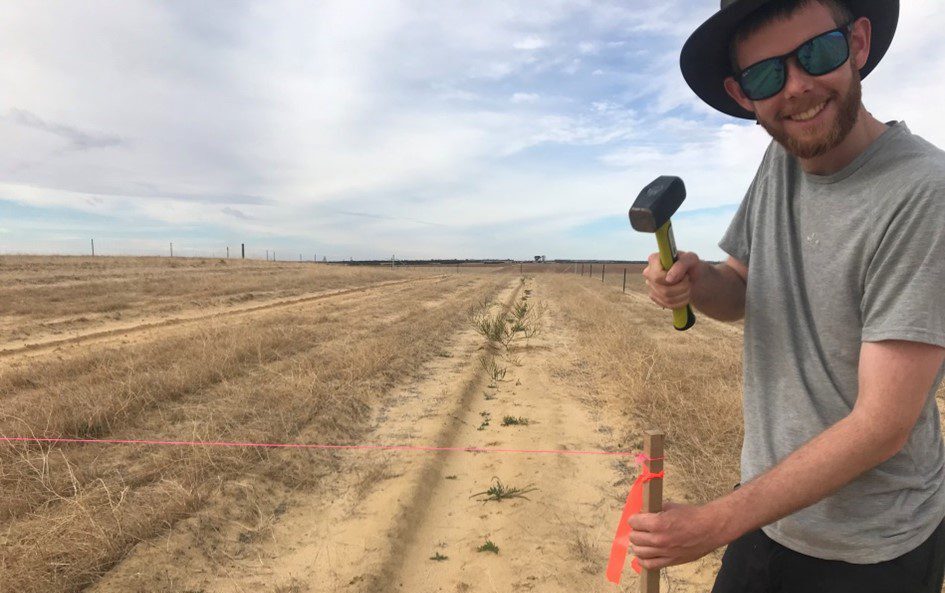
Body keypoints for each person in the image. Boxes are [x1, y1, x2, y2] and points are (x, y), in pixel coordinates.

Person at [629, 0, 945, 591]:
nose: (796, 88)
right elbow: (744, 289)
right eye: (767, 75)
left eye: (816, 54)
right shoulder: (783, 157)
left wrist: (711, 524)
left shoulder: (925, 193)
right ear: (743, 93)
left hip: (870, 552)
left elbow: (882, 425)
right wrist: (696, 284)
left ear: (856, 44)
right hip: (767, 516)